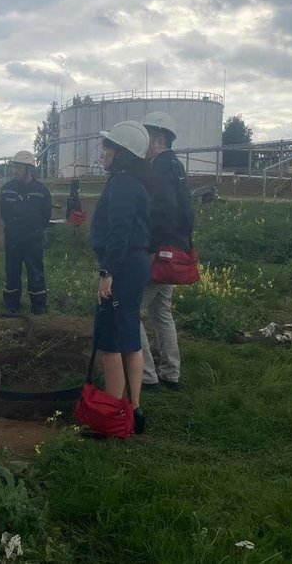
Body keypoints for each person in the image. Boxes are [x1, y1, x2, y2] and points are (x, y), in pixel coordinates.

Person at [89, 121, 154, 434]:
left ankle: (113, 418)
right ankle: (134, 410)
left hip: (123, 266)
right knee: (129, 336)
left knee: (111, 341)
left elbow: (119, 232)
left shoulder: (123, 184)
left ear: (122, 154)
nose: (103, 155)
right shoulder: (135, 183)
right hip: (133, 264)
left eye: (108, 149)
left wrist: (107, 272)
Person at [139, 112, 194, 391]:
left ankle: (147, 375)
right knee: (161, 312)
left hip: (159, 255)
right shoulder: (177, 168)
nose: (143, 143)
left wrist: (151, 250)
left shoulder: (158, 169)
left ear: (158, 139)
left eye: (147, 137)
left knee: (129, 311)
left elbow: (161, 213)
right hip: (174, 252)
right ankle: (171, 373)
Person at [0, 150, 51, 314]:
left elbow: (45, 217)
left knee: (35, 272)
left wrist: (33, 230)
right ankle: (12, 305)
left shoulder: (41, 191)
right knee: (12, 272)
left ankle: (38, 307)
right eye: (14, 167)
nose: (15, 171)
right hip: (12, 240)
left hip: (33, 241)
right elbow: (4, 214)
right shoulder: (7, 189)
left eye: (18, 168)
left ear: (29, 169)